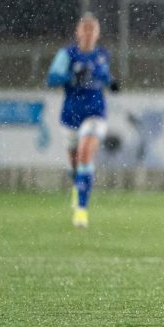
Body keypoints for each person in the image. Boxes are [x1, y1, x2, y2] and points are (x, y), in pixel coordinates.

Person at [46, 13, 118, 228]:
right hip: (71, 115)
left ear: (97, 33)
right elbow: (51, 79)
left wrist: (112, 82)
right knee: (75, 164)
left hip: (95, 113)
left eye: (92, 29)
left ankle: (81, 211)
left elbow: (103, 76)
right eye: (85, 28)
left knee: (85, 153)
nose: (88, 33)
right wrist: (71, 76)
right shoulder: (67, 55)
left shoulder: (102, 55)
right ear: (78, 32)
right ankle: (77, 189)